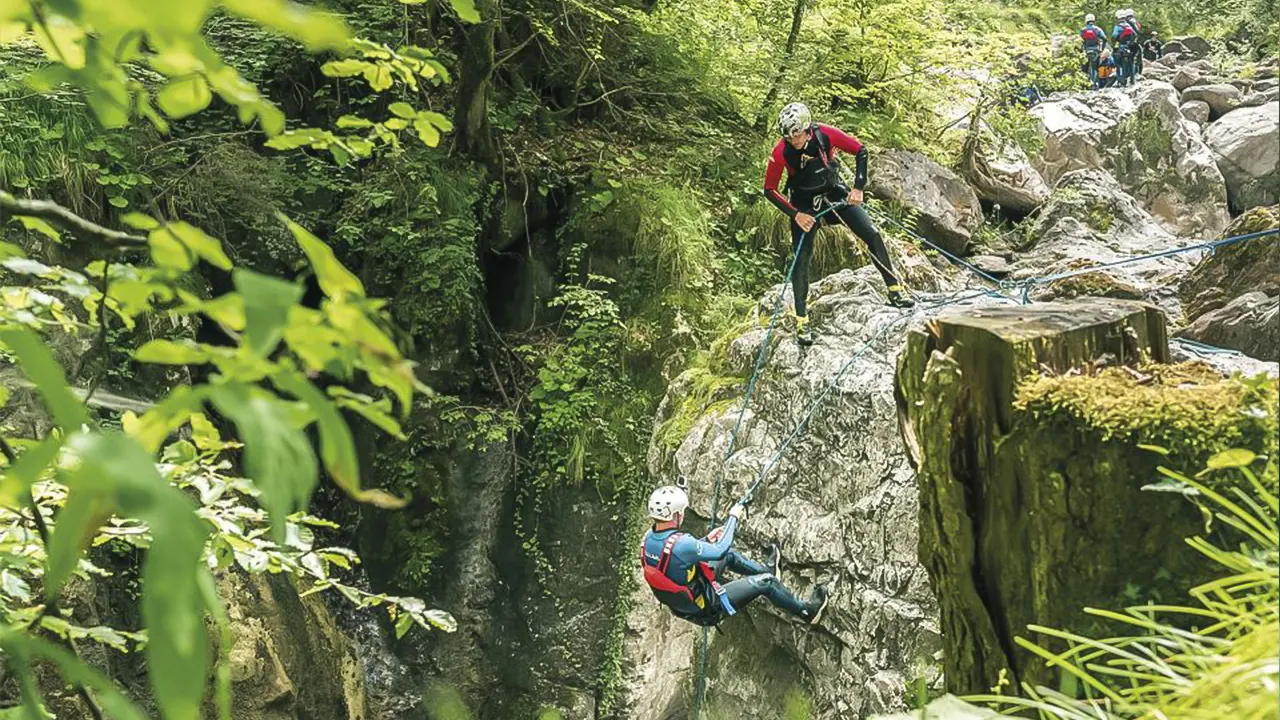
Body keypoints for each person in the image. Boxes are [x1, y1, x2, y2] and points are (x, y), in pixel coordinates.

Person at [763, 102, 914, 346]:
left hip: (834, 194)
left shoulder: (824, 134)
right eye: (789, 137)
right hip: (804, 205)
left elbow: (860, 150)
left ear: (806, 128)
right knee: (802, 257)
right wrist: (795, 215)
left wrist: (858, 187)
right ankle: (802, 318)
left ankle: (894, 288)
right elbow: (769, 190)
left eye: (798, 134)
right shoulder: (781, 151)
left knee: (872, 234)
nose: (794, 141)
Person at [640, 485, 830, 626]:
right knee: (767, 582)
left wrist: (706, 539)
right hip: (707, 607)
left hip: (690, 601)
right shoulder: (682, 544)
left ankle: (765, 569)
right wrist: (733, 517)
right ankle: (807, 612)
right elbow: (719, 549)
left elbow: (679, 560)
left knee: (729, 557)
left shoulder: (648, 539)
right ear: (676, 515)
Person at [1112, 9, 1139, 86]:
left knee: (1118, 63)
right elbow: (1134, 35)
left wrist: (1115, 43)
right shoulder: (1129, 26)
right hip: (1128, 48)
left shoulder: (1117, 27)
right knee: (1131, 63)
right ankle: (1132, 80)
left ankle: (1120, 79)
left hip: (1120, 47)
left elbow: (1114, 36)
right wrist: (1130, 43)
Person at [1080, 13, 1107, 89]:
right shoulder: (1098, 29)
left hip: (1085, 51)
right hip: (1095, 51)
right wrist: (1102, 49)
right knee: (1095, 68)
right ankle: (1094, 84)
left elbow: (1079, 41)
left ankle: (1084, 85)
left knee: (1084, 69)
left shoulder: (1083, 30)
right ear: (1094, 20)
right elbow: (1105, 38)